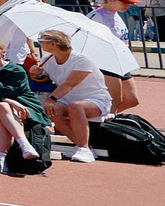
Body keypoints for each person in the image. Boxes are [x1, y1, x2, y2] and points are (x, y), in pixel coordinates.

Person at [29, 28, 109, 164]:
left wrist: (50, 99)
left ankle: (84, 148)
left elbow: (69, 84)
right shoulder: (47, 59)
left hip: (96, 99)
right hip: (68, 99)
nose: (39, 44)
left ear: (53, 44)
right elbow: (44, 78)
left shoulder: (82, 61)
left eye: (41, 41)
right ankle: (82, 146)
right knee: (52, 110)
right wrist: (36, 73)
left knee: (75, 107)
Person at [0, 38, 48, 174]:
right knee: (2, 106)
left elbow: (11, 92)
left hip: (25, 105)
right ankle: (24, 145)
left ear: (3, 52)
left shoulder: (16, 70)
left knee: (0, 115)